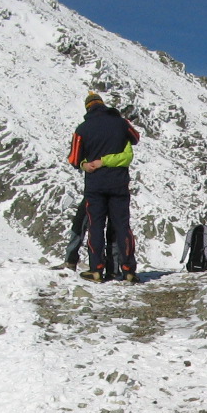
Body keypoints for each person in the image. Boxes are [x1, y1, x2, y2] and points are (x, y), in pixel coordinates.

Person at [68, 91, 140, 284]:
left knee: (95, 226)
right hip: (118, 183)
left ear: (87, 108)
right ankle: (128, 270)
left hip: (95, 184)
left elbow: (74, 158)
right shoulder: (121, 123)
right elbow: (135, 138)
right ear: (102, 104)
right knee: (122, 226)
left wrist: (84, 164)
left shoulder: (82, 129)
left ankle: (96, 270)